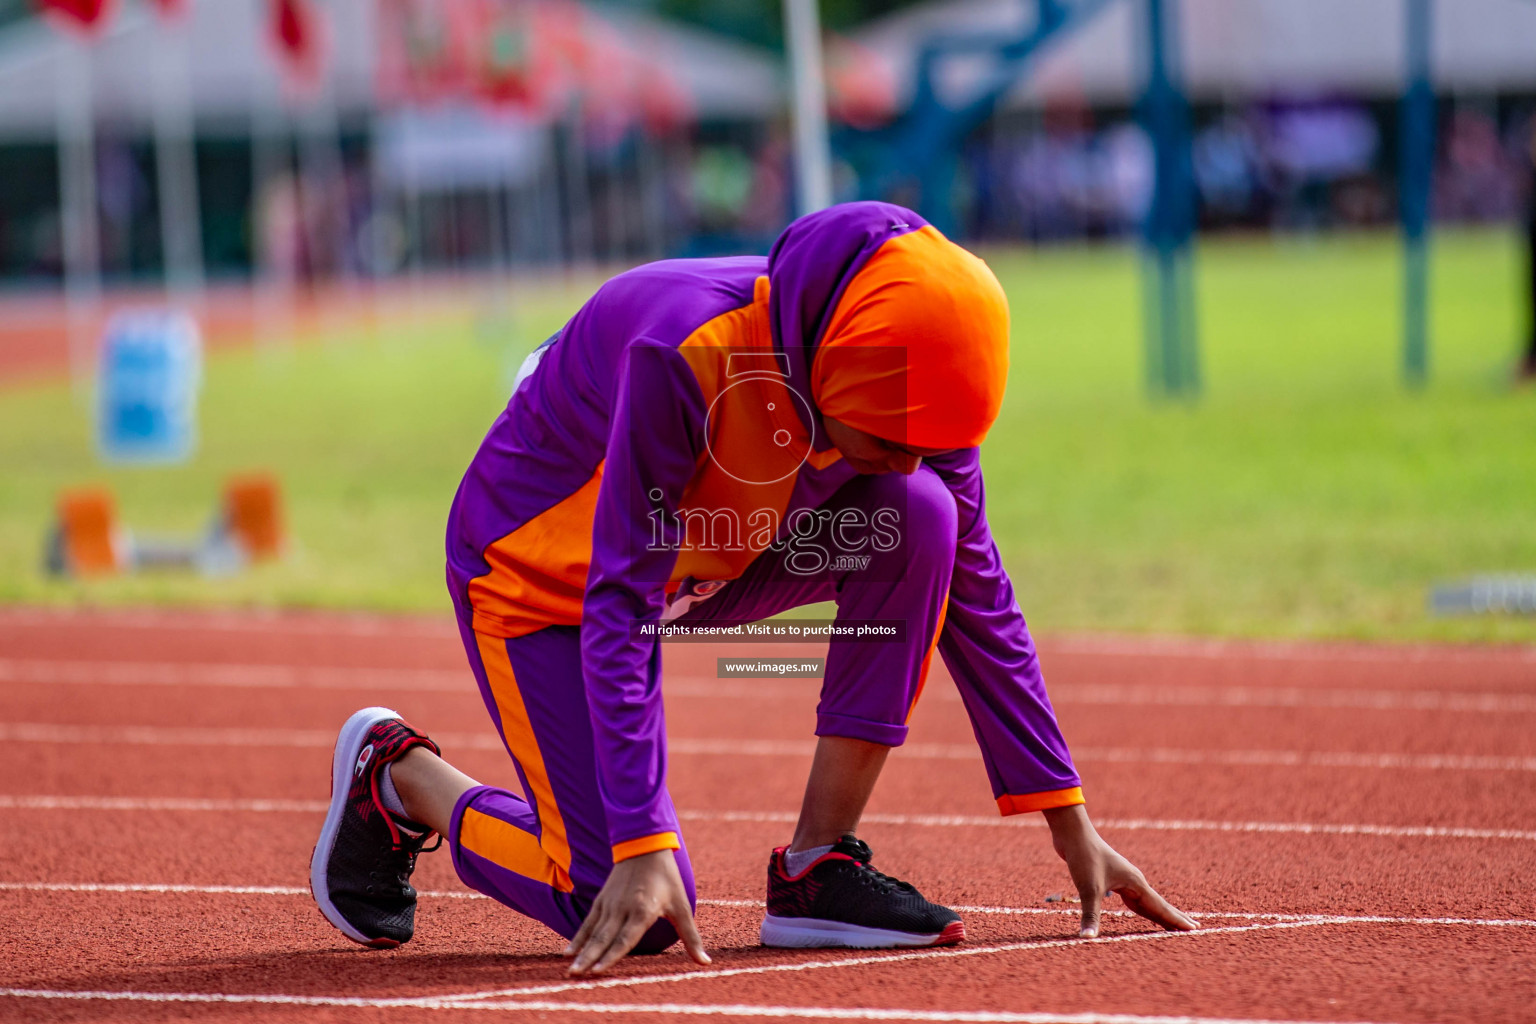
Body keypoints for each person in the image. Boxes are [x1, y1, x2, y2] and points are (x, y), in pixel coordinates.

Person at [309, 201, 1196, 976]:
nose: (910, 459)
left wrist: (1066, 815)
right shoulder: (684, 349)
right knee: (617, 899)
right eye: (892, 439)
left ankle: (820, 869)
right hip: (544, 581)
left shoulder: (908, 380)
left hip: (715, 557)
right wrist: (644, 840)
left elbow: (979, 589)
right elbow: (620, 599)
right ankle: (405, 777)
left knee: (927, 518)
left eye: (934, 441)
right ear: (837, 366)